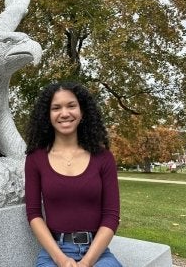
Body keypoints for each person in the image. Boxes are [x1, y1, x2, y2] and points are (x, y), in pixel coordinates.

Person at [24, 81, 122, 267]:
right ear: (48, 115)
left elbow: (111, 215)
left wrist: (86, 263)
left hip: (97, 253)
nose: (65, 113)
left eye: (71, 105)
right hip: (55, 253)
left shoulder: (103, 157)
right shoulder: (35, 158)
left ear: (82, 111)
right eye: (56, 108)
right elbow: (34, 214)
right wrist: (61, 259)